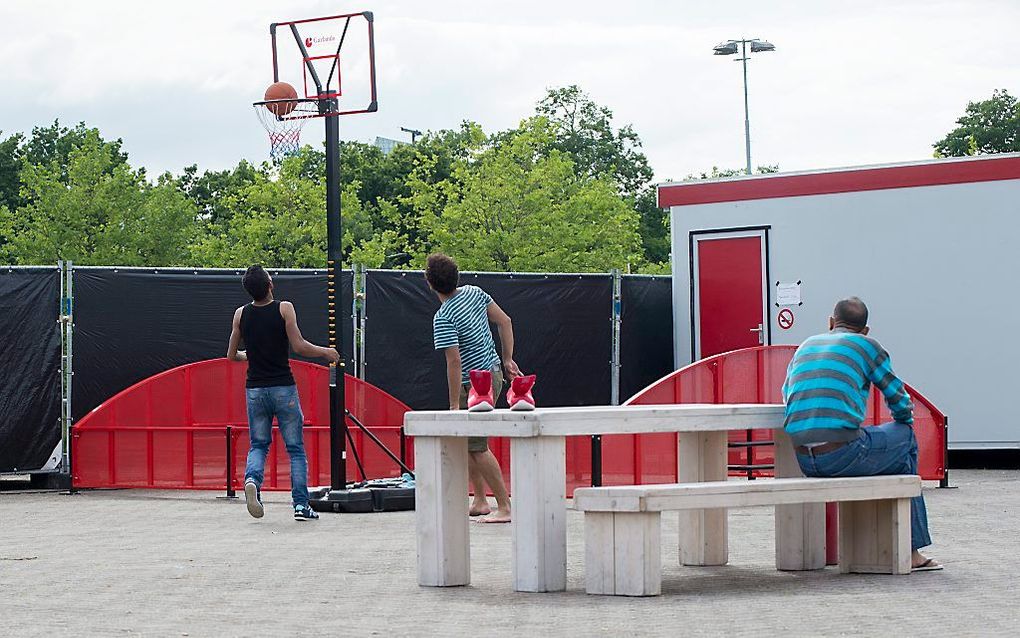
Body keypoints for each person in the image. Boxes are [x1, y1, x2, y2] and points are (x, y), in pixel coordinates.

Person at [782, 297, 941, 571]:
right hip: (842, 454)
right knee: (905, 440)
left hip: (804, 460)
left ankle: (882, 545)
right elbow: (899, 399)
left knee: (892, 451)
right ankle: (910, 550)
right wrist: (903, 424)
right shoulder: (867, 346)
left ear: (831, 323)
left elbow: (787, 394)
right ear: (866, 330)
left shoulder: (806, 346)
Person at [226, 265, 341, 522]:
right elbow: (299, 346)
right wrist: (326, 352)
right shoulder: (284, 308)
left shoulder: (240, 314)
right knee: (295, 448)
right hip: (283, 388)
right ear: (270, 285)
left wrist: (249, 356)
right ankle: (301, 505)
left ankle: (252, 480)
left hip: (255, 389)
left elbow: (232, 355)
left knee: (258, 444)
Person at [426, 253, 520, 524]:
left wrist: (454, 404)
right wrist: (507, 358)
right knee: (469, 442)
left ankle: (504, 506)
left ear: (430, 284)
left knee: (477, 446)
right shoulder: (474, 292)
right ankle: (479, 501)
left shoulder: (443, 317)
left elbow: (454, 362)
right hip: (494, 374)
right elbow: (506, 321)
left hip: (475, 385)